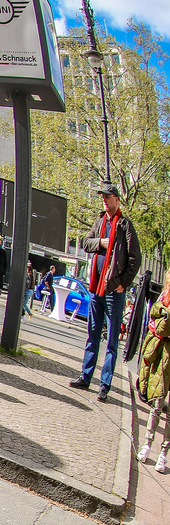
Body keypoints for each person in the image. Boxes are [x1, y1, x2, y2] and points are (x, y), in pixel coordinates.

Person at [72, 181, 142, 401]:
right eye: (102, 196)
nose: (104, 199)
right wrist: (100, 243)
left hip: (113, 290)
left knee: (111, 341)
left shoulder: (125, 225)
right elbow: (86, 242)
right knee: (93, 335)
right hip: (96, 288)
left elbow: (135, 258)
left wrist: (123, 282)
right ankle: (86, 376)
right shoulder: (100, 221)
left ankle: (105, 385)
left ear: (116, 199)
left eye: (107, 196)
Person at [138, 284, 170, 472]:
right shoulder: (165, 297)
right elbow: (158, 325)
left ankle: (163, 453)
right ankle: (147, 444)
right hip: (162, 358)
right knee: (157, 404)